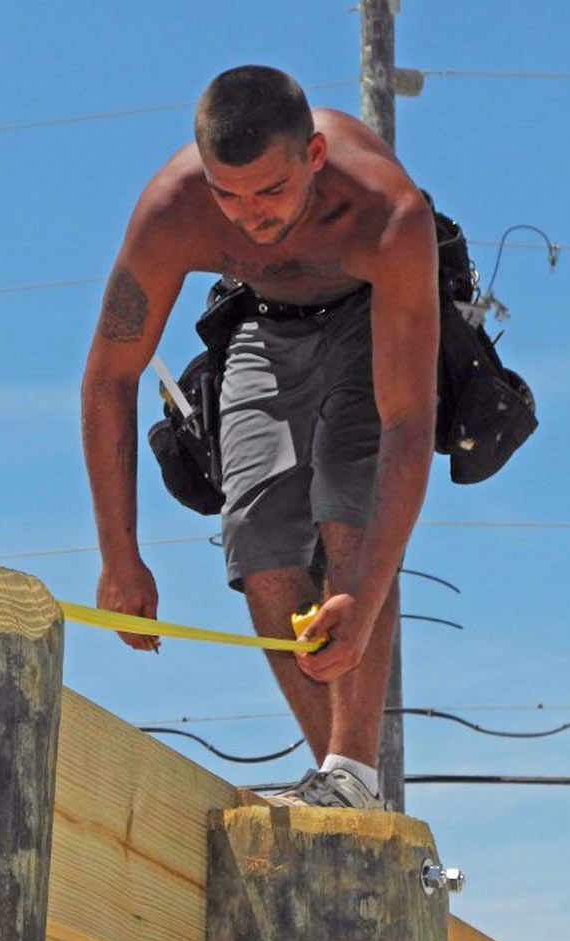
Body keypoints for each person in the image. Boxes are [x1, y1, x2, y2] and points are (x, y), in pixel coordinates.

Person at [79, 65, 438, 811]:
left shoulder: (388, 214)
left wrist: (365, 600)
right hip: (261, 319)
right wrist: (120, 559)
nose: (248, 216)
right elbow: (109, 377)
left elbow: (407, 423)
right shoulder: (173, 209)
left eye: (269, 192)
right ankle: (339, 793)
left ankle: (354, 771)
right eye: (228, 194)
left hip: (368, 314)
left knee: (348, 499)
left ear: (312, 155)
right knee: (261, 536)